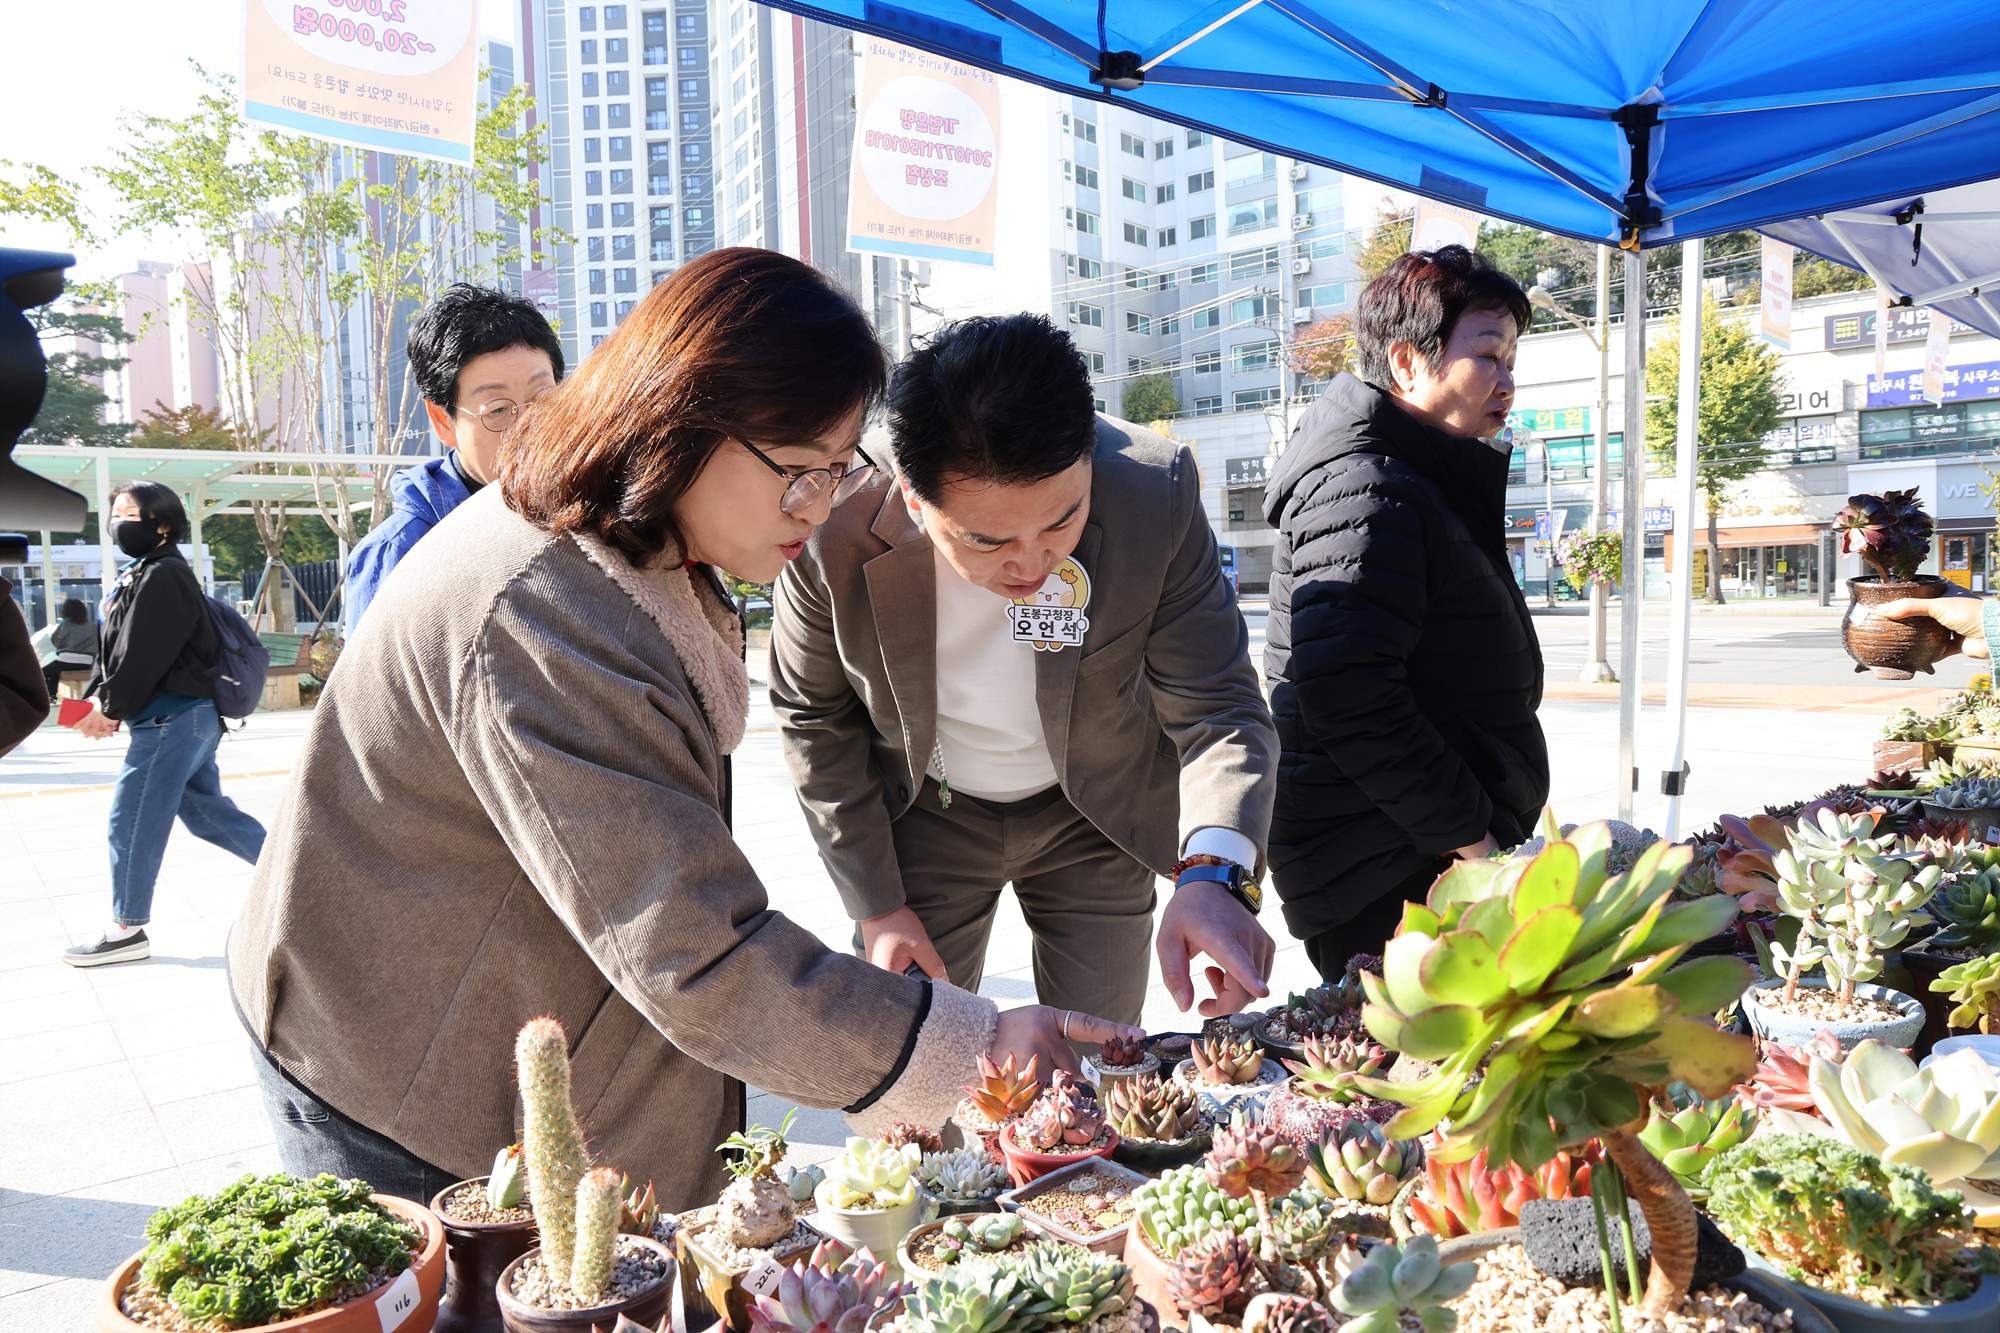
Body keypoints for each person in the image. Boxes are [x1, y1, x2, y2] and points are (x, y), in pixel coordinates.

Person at [228, 251, 1136, 1207]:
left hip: (501, 1011)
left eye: (836, 471)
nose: (817, 508)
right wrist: (972, 1043)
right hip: (403, 1068)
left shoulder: (632, 533)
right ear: (680, 418)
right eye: (795, 472)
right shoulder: (540, 614)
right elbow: (692, 947)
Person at [769, 313, 1278, 1029]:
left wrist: (1215, 875)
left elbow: (1220, 709)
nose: (1033, 564)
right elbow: (812, 713)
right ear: (914, 498)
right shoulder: (837, 516)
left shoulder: (1153, 491)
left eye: (1062, 521)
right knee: (917, 1068)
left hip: (1096, 812)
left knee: (1101, 1062)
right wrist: (876, 903)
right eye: (989, 539)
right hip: (927, 814)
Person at [1262, 245, 1547, 981]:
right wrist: (1473, 842)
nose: (1507, 380)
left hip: (1417, 849)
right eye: (1488, 354)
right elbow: (1348, 695)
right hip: (1388, 865)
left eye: (1513, 359)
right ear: (1408, 362)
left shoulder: (1417, 472)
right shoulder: (1364, 484)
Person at [64, 482, 268, 966]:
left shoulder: (163, 576)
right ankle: (305, 878)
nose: (118, 521)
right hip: (181, 718)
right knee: (209, 817)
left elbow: (144, 653)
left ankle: (127, 930)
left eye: (129, 513)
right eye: (114, 513)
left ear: (162, 524)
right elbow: (114, 649)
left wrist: (110, 709)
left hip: (170, 719)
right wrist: (101, 700)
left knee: (131, 821)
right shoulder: (141, 574)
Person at [342, 283, 564, 630]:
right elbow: (370, 684)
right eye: (499, 410)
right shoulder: (400, 552)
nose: (528, 428)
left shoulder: (589, 520)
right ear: (443, 421)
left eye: (544, 401)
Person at [41, 596, 96, 699]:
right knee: (54, 670)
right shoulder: (92, 626)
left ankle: (51, 696)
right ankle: (52, 696)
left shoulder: (65, 624)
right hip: (87, 662)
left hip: (66, 661)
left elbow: (56, 641)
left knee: (45, 672)